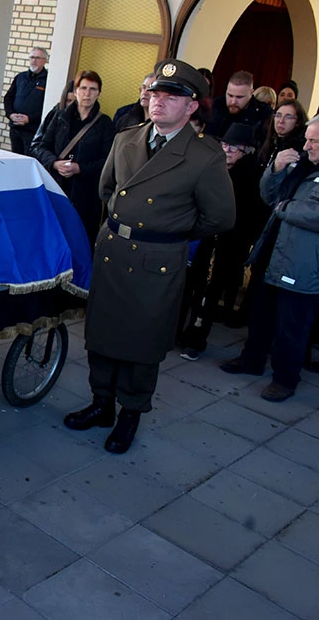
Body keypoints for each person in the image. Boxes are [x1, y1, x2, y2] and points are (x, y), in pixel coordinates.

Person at [63, 58, 235, 454]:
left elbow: (220, 218)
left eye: (172, 95)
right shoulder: (127, 138)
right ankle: (101, 403)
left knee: (142, 343)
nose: (159, 100)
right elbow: (107, 189)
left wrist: (167, 232)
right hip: (113, 251)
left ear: (192, 106)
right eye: (156, 92)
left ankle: (130, 414)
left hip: (157, 260)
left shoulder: (204, 155)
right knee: (102, 336)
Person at [218, 116, 319, 402]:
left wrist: (284, 208)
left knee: (292, 326)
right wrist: (274, 169)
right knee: (260, 313)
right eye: (307, 139)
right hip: (273, 253)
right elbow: (268, 195)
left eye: (313, 141)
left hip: (302, 265)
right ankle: (251, 360)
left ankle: (285, 379)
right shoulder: (301, 166)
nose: (307, 145)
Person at [180, 124, 265, 360]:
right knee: (190, 286)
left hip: (229, 243)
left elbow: (250, 213)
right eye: (225, 145)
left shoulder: (251, 176)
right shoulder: (212, 166)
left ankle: (196, 339)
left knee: (209, 292)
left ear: (246, 150)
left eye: (234, 148)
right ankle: (179, 333)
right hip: (203, 237)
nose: (227, 150)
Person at [32, 70, 114, 248]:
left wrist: (80, 168)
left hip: (86, 195)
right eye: (83, 88)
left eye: (93, 89)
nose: (87, 93)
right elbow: (39, 146)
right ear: (76, 91)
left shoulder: (105, 124)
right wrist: (54, 162)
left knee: (79, 240)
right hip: (56, 187)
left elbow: (108, 161)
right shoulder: (60, 117)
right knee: (51, 237)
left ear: (99, 93)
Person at [3, 47, 48, 155]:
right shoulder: (20, 77)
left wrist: (29, 119)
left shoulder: (48, 80)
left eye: (37, 58)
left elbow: (47, 107)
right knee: (15, 158)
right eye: (32, 57)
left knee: (29, 159)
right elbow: (8, 98)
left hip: (33, 130)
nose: (34, 60)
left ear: (45, 61)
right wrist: (11, 115)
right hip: (15, 128)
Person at [207, 70, 272, 142]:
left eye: (239, 97)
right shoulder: (215, 105)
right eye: (230, 95)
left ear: (251, 93)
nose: (233, 101)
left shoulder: (263, 114)